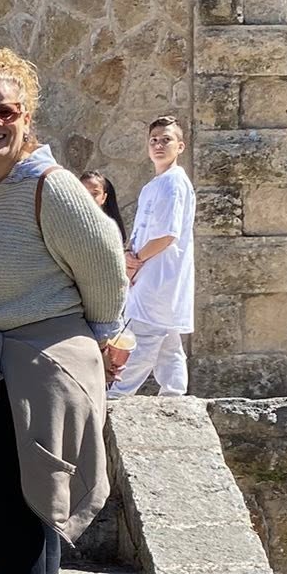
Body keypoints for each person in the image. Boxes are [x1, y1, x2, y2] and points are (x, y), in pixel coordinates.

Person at [0, 48, 131, 574]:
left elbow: (105, 262)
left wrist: (100, 337)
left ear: (27, 116)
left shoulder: (52, 186)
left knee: (33, 487)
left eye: (7, 111)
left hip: (42, 355)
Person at [109, 115, 196, 399]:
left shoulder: (174, 183)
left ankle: (119, 394)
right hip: (148, 271)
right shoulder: (153, 186)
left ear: (180, 146)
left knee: (144, 336)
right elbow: (144, 231)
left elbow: (167, 234)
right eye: (154, 140)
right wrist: (129, 257)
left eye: (166, 140)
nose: (159, 145)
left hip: (160, 274)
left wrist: (137, 259)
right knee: (167, 340)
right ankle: (174, 394)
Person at [79, 169, 128, 246]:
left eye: (95, 193)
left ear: (103, 198)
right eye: (84, 192)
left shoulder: (110, 228)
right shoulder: (69, 222)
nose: (89, 197)